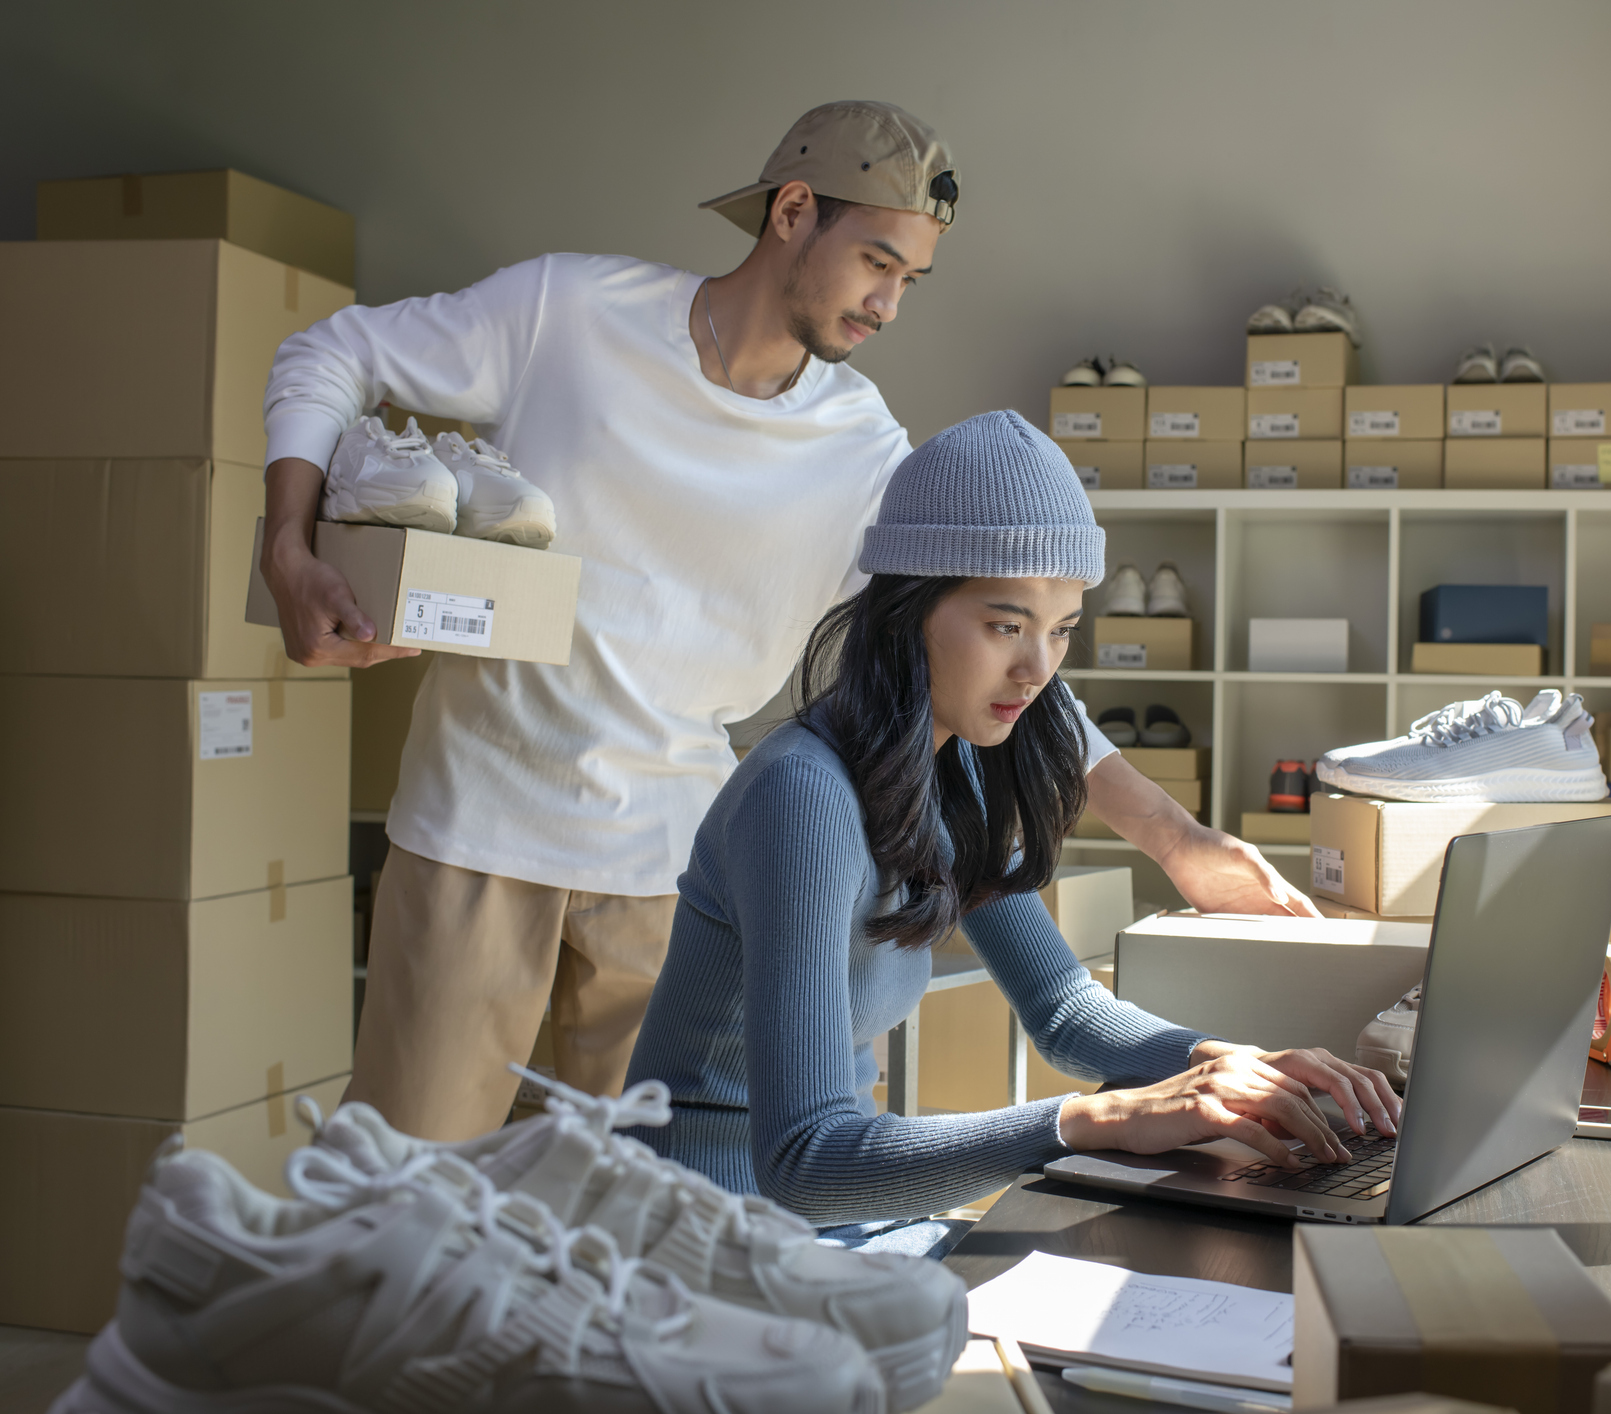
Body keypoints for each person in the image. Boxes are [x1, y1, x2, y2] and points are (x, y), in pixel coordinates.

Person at [258, 101, 1317, 1143]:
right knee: (395, 1204)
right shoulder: (566, 314)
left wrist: (1178, 842)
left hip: (671, 874)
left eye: (911, 281)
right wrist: (290, 550)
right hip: (476, 833)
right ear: (795, 211)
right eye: (877, 263)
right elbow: (328, 354)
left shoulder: (861, 451)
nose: (890, 306)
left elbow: (1003, 641)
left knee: (634, 1230)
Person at [625, 411, 1399, 1252]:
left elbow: (1064, 1010)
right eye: (1006, 625)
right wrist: (1089, 1119)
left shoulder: (947, 768)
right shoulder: (801, 796)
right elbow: (804, 1160)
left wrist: (1228, 1063)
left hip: (833, 1215)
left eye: (1061, 630)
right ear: (907, 610)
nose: (1036, 670)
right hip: (706, 1229)